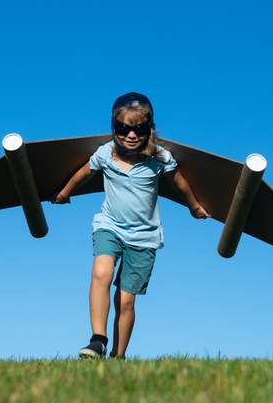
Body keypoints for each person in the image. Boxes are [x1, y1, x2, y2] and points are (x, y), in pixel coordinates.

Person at [51, 92, 210, 359]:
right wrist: (65, 193)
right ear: (114, 128)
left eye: (140, 129)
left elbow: (179, 182)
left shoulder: (159, 158)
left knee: (125, 300)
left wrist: (194, 206)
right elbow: (83, 173)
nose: (131, 135)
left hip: (144, 236)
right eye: (124, 128)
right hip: (110, 225)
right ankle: (98, 340)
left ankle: (118, 355)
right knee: (101, 272)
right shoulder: (105, 154)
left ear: (150, 129)